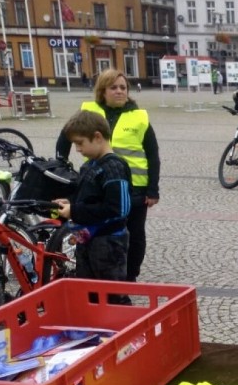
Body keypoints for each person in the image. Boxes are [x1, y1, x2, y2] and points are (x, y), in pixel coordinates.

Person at [56, 68, 160, 282]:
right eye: (114, 88)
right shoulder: (89, 112)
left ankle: (130, 275)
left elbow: (152, 153)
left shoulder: (139, 116)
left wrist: (153, 189)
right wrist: (63, 167)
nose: (120, 91)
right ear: (102, 91)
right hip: (99, 183)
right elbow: (66, 137)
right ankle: (101, 273)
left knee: (134, 235)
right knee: (100, 231)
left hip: (136, 187)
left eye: (123, 87)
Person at [53, 110, 131, 287]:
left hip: (109, 242)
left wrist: (75, 210)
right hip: (87, 238)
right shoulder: (89, 165)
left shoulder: (114, 168)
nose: (77, 149)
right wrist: (71, 203)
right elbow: (88, 197)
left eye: (80, 143)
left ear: (97, 137)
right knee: (88, 290)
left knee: (112, 293)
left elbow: (118, 210)